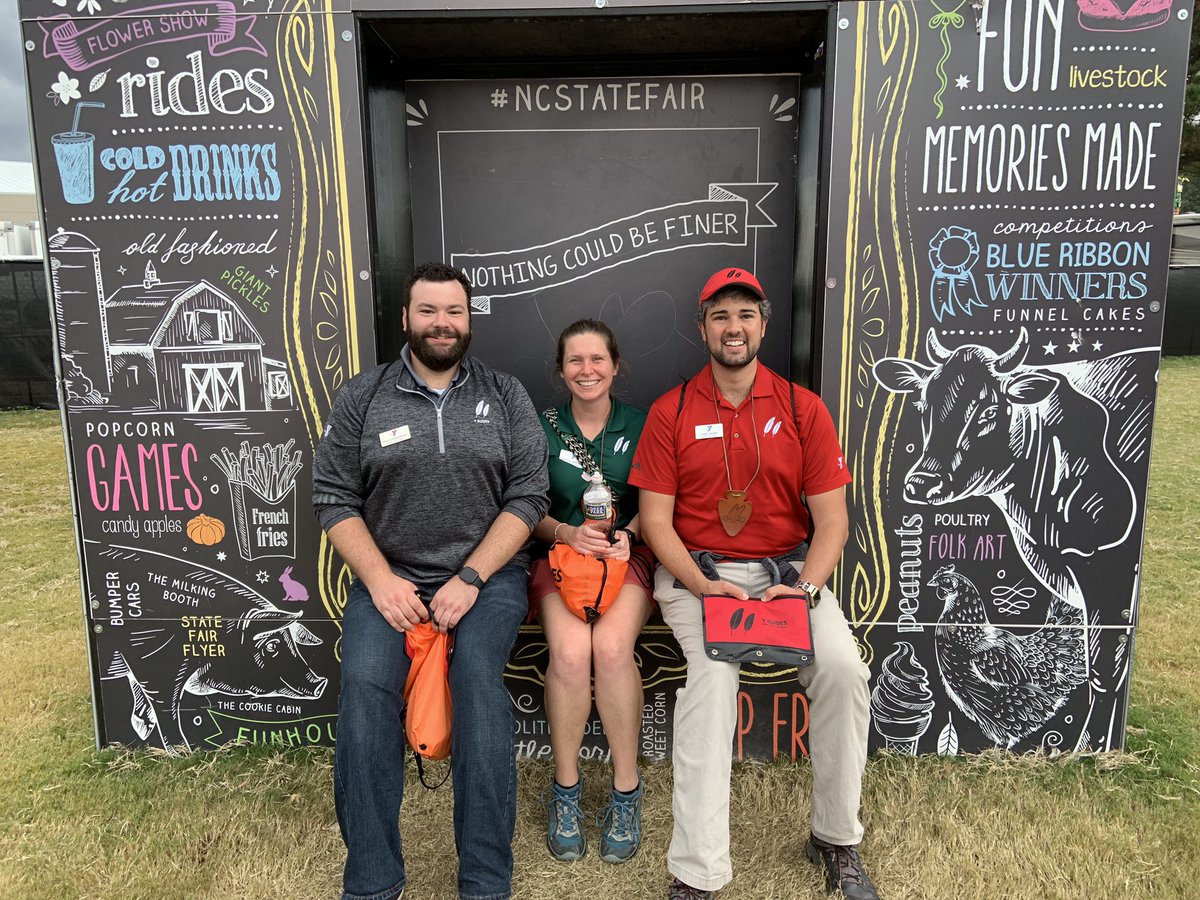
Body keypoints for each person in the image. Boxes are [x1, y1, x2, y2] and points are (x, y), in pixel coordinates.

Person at [628, 267, 877, 900]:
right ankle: (698, 871)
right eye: (719, 316)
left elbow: (832, 522)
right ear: (702, 328)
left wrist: (806, 589)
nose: (733, 328)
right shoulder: (672, 409)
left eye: (744, 315)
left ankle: (836, 837)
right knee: (711, 684)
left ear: (763, 325)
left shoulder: (801, 407)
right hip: (699, 574)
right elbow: (655, 522)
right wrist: (701, 584)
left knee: (845, 669)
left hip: (787, 577)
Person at [312, 261, 549, 900]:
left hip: (488, 579)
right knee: (363, 690)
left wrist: (473, 576)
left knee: (476, 684)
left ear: (469, 320)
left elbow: (529, 495)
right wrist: (382, 581)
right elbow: (333, 497)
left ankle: (484, 882)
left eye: (454, 312)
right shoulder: (365, 395)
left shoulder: (504, 394)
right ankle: (371, 882)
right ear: (407, 319)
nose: (442, 324)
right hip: (388, 579)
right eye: (429, 312)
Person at [526, 319, 654, 864]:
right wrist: (566, 532)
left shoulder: (643, 424)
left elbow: (659, 508)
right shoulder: (541, 425)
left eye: (597, 359)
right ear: (560, 370)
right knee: (573, 654)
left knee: (610, 649)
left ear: (615, 365)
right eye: (575, 361)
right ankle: (566, 790)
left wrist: (631, 534)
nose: (587, 370)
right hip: (560, 558)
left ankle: (626, 793)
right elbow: (526, 509)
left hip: (627, 559)